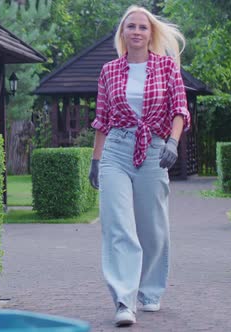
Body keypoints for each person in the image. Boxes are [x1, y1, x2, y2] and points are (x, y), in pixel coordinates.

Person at [87, 5, 190, 327]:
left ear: (150, 33)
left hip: (155, 152)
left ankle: (150, 291)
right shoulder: (109, 71)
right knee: (119, 227)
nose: (136, 31)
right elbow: (102, 119)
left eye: (142, 27)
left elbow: (180, 110)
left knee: (152, 228)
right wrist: (95, 161)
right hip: (116, 150)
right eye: (130, 26)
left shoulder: (167, 68)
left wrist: (172, 142)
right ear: (122, 33)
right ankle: (124, 299)